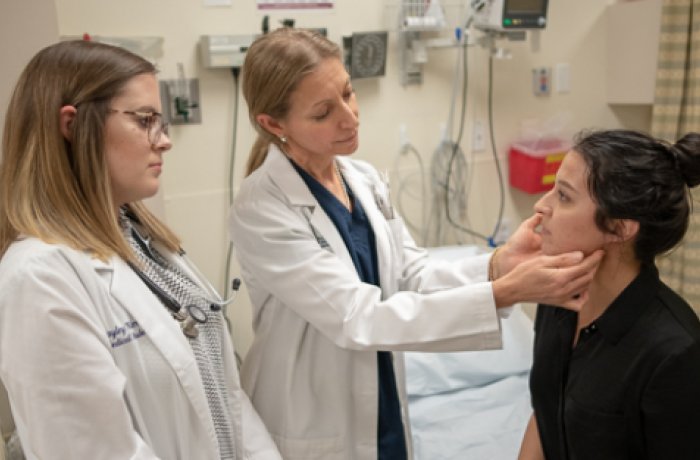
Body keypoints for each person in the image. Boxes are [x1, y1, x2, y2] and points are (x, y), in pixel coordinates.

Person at [229, 27, 603, 460]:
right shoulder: (262, 207)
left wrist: (498, 265)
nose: (349, 118)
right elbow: (358, 317)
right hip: (313, 417)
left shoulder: (362, 179)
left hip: (382, 400)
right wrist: (507, 293)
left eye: (349, 94)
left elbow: (412, 274)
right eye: (323, 113)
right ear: (274, 124)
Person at [0, 40, 281, 460]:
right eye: (146, 120)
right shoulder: (39, 278)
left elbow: (225, 393)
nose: (164, 141)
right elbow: (93, 451)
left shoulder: (145, 242)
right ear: (72, 125)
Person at [518, 129, 700, 460]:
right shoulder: (558, 299)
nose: (541, 206)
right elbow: (546, 411)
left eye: (563, 196)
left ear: (620, 228)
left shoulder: (675, 353)